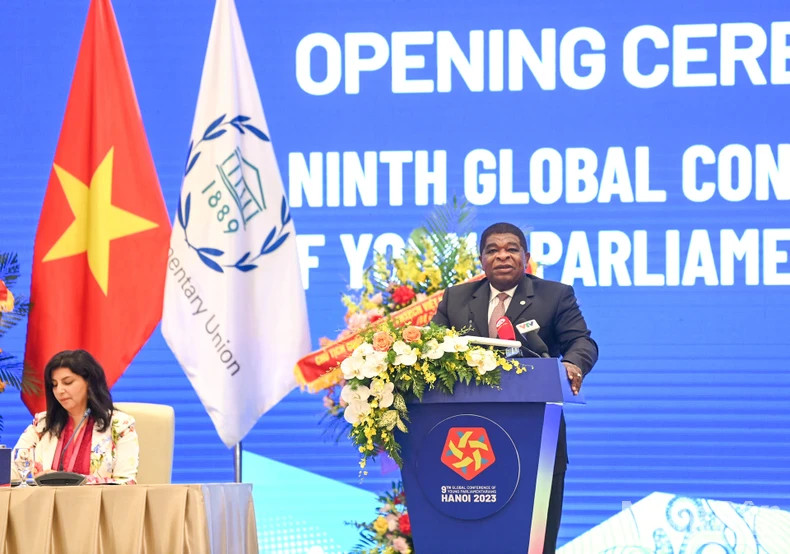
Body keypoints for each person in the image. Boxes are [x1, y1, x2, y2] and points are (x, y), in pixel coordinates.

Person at [432, 221, 598, 553]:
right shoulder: (456, 298)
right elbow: (430, 348)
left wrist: (573, 363)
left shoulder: (554, 296)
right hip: (468, 438)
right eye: (492, 250)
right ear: (481, 260)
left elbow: (581, 341)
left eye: (511, 249)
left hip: (536, 435)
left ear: (526, 256)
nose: (502, 256)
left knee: (534, 537)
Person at [13, 349, 139, 484]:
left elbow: (126, 483)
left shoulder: (120, 425)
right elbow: (12, 473)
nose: (60, 390)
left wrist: (72, 480)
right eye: (54, 385)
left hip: (98, 504)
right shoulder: (42, 425)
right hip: (46, 504)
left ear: (89, 383)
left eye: (67, 382)